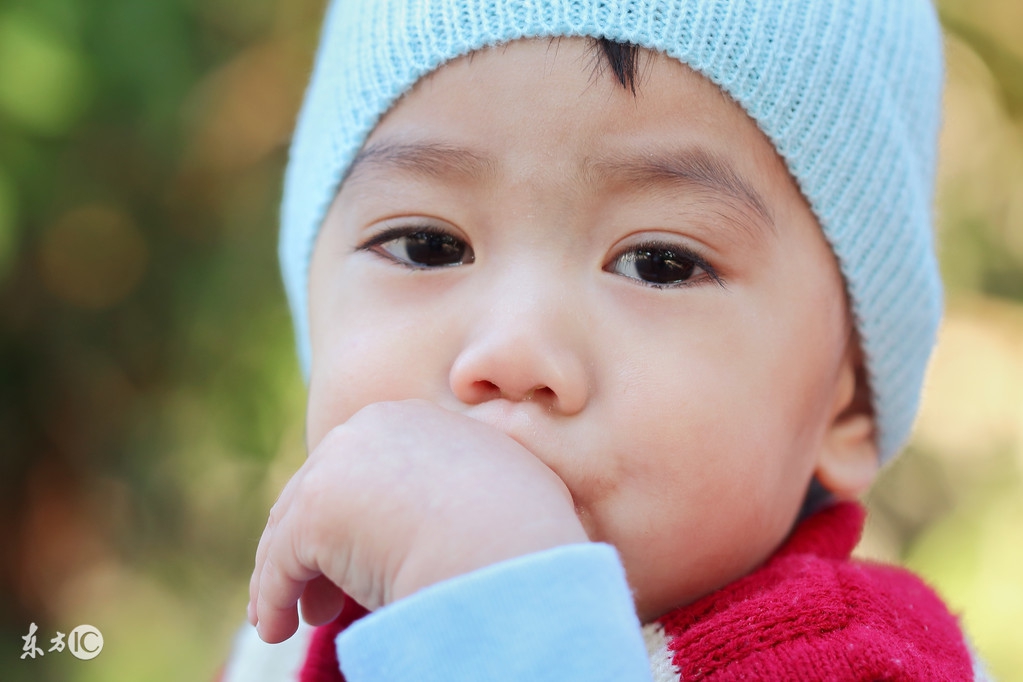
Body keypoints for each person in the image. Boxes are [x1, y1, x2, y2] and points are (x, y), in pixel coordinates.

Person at [223, 1, 987, 680]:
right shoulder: (290, 638)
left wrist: (499, 612)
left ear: (844, 403)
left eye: (660, 264)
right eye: (427, 245)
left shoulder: (855, 655)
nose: (513, 352)